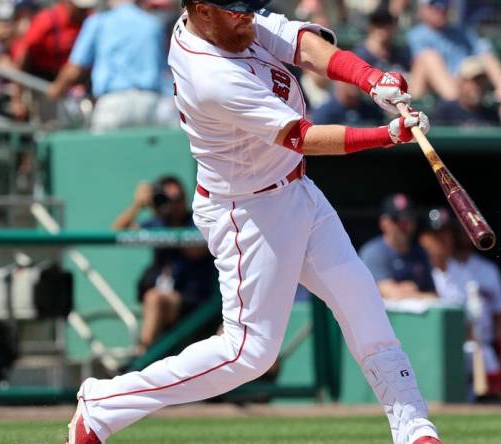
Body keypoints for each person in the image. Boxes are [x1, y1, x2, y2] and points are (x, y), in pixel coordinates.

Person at [67, 2, 443, 444]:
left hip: (295, 190)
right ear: (201, 10)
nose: (247, 16)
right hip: (248, 212)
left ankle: (414, 428)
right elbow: (302, 137)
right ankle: (103, 405)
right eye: (234, 10)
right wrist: (387, 135)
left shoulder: (228, 25)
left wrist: (370, 78)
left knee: (362, 302)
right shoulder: (209, 76)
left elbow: (303, 46)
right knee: (247, 354)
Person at [112, 177, 217, 355]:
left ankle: (140, 360)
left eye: (177, 199)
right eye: (166, 199)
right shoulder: (159, 222)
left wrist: (172, 224)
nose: (173, 205)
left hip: (196, 301)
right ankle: (143, 360)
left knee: (154, 298)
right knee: (154, 297)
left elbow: (196, 250)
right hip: (165, 299)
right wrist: (138, 204)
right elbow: (117, 231)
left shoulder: (195, 221)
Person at [418, 207, 501, 399]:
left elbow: (495, 315)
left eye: (447, 234)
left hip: (469, 347)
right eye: (437, 235)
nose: (444, 240)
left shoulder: (464, 273)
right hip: (430, 350)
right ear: (424, 239)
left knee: (484, 357)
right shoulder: (419, 271)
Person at [46, 0, 172, 132]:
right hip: (150, 103)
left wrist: (55, 90)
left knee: (103, 152)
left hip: (113, 104)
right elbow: (164, 70)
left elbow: (75, 68)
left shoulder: (98, 22)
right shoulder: (153, 24)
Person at [406, 0, 501, 104]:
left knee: (487, 57)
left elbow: (484, 52)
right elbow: (419, 68)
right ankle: (455, 101)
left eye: (443, 5)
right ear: (422, 10)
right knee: (429, 58)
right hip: (436, 86)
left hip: (466, 76)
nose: (441, 9)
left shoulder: (461, 31)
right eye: (435, 6)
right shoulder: (417, 35)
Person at [360, 193, 437, 301]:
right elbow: (390, 294)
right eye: (397, 220)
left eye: (408, 219)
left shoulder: (420, 253)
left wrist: (409, 292)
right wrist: (412, 292)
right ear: (383, 223)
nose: (404, 225)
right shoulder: (374, 252)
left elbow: (434, 296)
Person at [9, 0, 91, 81]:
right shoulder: (46, 20)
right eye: (80, 9)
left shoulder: (87, 22)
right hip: (39, 76)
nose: (84, 12)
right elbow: (26, 51)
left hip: (67, 80)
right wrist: (19, 84)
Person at [432, 57, 500, 127]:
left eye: (481, 81)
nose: (478, 86)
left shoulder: (492, 115)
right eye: (474, 81)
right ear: (461, 82)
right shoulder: (445, 111)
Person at [312, 81, 384, 125]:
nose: (354, 82)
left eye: (357, 78)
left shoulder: (373, 111)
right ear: (337, 81)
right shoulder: (323, 115)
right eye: (349, 79)